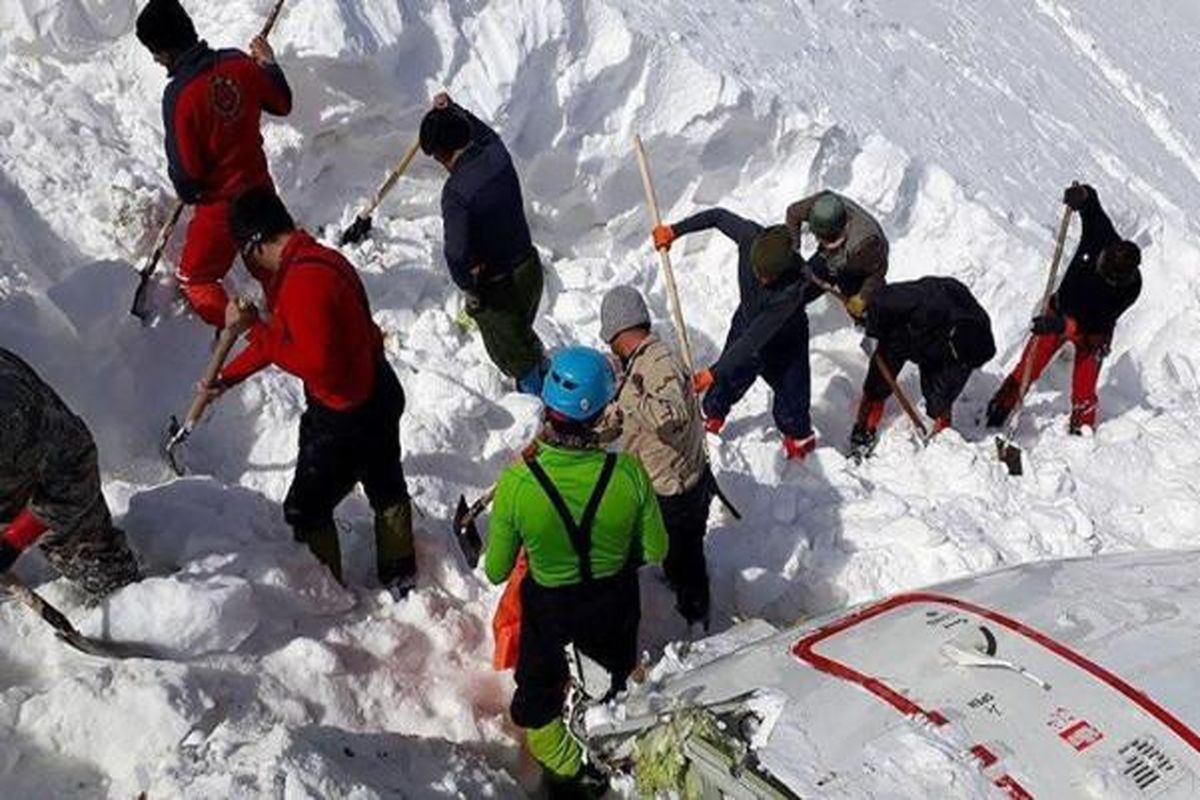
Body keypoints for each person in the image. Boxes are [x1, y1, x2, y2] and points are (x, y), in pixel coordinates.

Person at [204, 188, 416, 597]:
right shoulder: (319, 260)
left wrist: (253, 328)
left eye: (245, 256)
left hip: (344, 414)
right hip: (377, 388)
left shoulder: (303, 283)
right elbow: (284, 340)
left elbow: (314, 363)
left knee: (307, 509)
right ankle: (400, 571)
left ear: (255, 245)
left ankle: (327, 592)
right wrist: (228, 377)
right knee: (385, 483)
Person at [484, 347, 668, 797]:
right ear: (603, 412)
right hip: (614, 606)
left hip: (551, 612)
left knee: (536, 708)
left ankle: (573, 771)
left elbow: (496, 570)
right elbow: (655, 548)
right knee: (609, 691)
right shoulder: (627, 473)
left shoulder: (518, 483)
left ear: (546, 406)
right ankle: (607, 751)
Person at [135, 0, 293, 328]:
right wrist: (269, 65)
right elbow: (282, 103)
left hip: (221, 212)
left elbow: (188, 182)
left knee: (196, 279)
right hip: (263, 195)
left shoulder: (179, 97)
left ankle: (248, 335)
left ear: (162, 53)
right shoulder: (239, 63)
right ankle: (293, 319)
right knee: (277, 267)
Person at [653, 210, 816, 461]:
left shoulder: (792, 289)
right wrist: (675, 230)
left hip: (785, 341)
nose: (761, 280)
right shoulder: (750, 236)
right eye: (758, 272)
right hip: (747, 321)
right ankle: (713, 415)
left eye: (769, 278)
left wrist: (710, 372)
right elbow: (717, 217)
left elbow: (752, 341)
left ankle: (798, 442)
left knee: (792, 396)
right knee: (727, 378)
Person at [597, 286, 712, 629]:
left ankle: (696, 615)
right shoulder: (640, 363)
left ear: (618, 331)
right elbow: (632, 417)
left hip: (675, 490)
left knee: (681, 554)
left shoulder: (658, 361)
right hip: (671, 481)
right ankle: (685, 592)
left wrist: (630, 394)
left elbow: (669, 415)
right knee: (681, 553)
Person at [987, 184, 1142, 433]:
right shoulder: (1101, 235)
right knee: (1029, 366)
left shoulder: (1130, 289)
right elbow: (1093, 205)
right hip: (1059, 309)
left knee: (1084, 385)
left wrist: (1062, 326)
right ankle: (999, 409)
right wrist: (1083, 195)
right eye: (1103, 266)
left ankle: (1081, 428)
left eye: (1110, 276)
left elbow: (1097, 322)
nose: (1103, 275)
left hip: (1090, 333)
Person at [419, 93, 547, 395]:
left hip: (499, 289)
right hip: (530, 270)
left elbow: (456, 252)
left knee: (515, 356)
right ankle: (539, 369)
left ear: (440, 154)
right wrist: (453, 109)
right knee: (522, 335)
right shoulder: (497, 154)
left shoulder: (456, 193)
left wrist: (468, 285)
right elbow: (484, 132)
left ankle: (539, 403)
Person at [0, 348, 141, 599]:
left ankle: (128, 609)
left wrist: (13, 540)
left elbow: (77, 466)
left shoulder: (14, 415)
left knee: (101, 570)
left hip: (43, 469)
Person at [850, 277, 996, 461]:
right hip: (904, 333)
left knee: (940, 398)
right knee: (878, 381)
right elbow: (881, 299)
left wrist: (940, 407)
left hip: (939, 349)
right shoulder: (924, 300)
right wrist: (872, 327)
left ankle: (940, 441)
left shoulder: (978, 342)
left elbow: (957, 372)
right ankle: (864, 427)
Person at [786, 190, 888, 318]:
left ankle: (869, 321)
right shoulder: (819, 205)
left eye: (832, 241)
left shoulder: (867, 245)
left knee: (868, 308)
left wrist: (862, 297)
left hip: (863, 261)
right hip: (841, 254)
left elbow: (878, 272)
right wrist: (795, 247)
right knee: (802, 286)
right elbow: (792, 213)